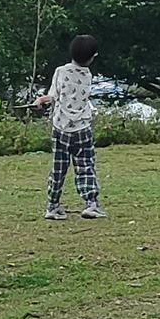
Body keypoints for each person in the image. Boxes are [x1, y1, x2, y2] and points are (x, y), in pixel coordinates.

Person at [37, 31, 104, 220]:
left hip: (61, 128)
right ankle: (91, 203)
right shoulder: (87, 76)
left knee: (59, 167)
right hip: (82, 128)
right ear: (92, 58)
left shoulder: (61, 71)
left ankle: (52, 206)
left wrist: (41, 100)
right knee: (85, 165)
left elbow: (54, 96)